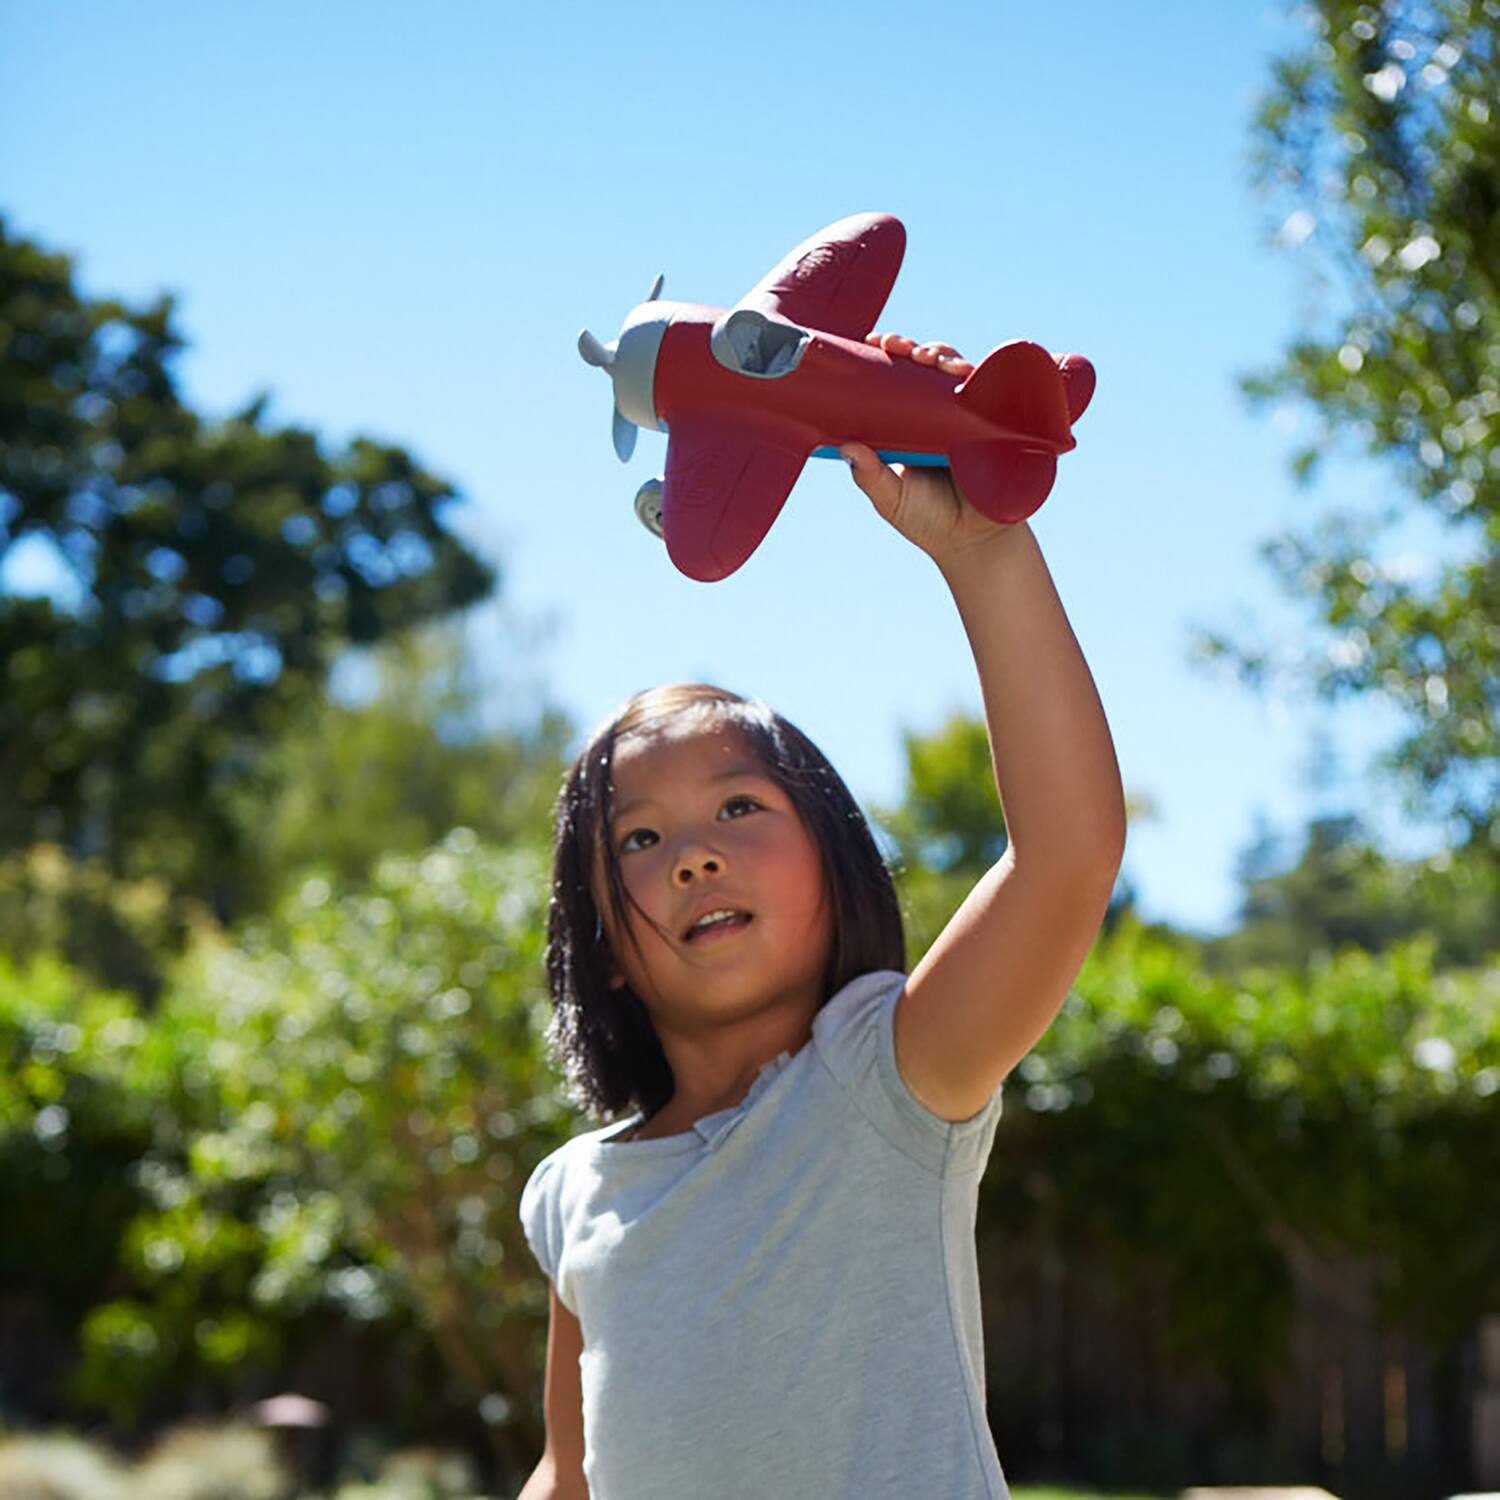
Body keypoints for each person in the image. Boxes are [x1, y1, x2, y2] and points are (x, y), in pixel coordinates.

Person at [516, 333, 1127, 1500]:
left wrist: (987, 554)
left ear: (837, 860)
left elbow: (1069, 856)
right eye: (638, 839)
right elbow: (571, 1473)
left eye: (739, 807)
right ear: (596, 942)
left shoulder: (885, 1085)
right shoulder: (572, 1194)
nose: (694, 854)